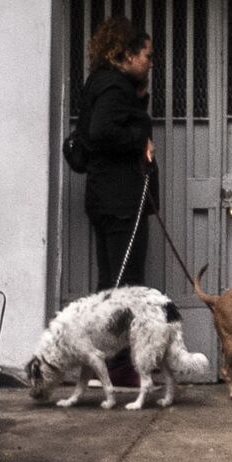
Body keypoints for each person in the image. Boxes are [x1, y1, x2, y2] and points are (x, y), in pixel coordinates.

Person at [79, 17, 159, 290]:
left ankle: (107, 331)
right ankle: (121, 333)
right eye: (147, 56)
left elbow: (110, 124)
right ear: (128, 55)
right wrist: (140, 141)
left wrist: (138, 100)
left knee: (111, 279)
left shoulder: (102, 82)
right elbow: (101, 131)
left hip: (106, 197)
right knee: (127, 283)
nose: (151, 62)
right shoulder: (114, 86)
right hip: (121, 201)